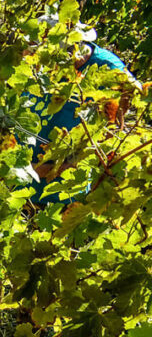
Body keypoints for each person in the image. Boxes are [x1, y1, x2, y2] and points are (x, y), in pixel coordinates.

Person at [28, 19, 139, 204]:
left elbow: (111, 135)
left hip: (63, 194)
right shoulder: (39, 62)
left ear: (72, 48)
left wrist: (48, 170)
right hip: (18, 183)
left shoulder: (109, 70)